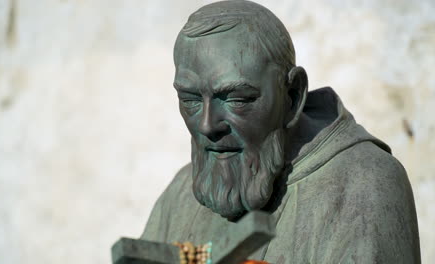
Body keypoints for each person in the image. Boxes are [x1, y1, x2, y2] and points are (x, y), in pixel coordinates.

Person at [140, 1, 420, 263]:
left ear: (293, 96)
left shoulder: (364, 185)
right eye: (190, 100)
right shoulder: (180, 194)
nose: (207, 125)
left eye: (237, 99)